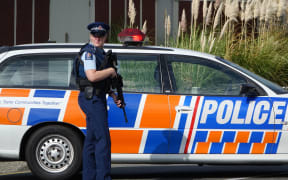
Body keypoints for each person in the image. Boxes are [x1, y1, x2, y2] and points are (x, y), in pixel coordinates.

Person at [76, 22, 121, 180]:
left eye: (100, 36)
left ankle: (90, 177)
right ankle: (103, 177)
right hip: (91, 99)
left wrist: (113, 94)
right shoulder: (89, 53)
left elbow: (100, 82)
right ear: (90, 36)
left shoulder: (100, 53)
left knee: (92, 139)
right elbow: (92, 76)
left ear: (105, 36)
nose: (97, 38)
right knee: (103, 140)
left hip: (96, 97)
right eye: (94, 35)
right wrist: (110, 71)